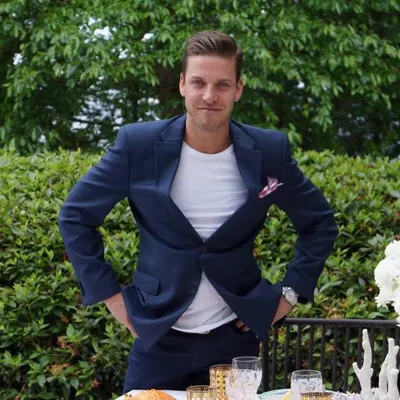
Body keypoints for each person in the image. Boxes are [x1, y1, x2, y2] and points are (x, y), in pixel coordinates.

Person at [58, 30, 338, 393]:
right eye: (198, 82)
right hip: (158, 336)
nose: (209, 95)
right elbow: (75, 216)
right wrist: (111, 297)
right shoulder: (138, 145)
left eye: (222, 84)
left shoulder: (270, 152)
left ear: (238, 89)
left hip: (235, 340)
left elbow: (319, 223)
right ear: (182, 85)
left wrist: (289, 295)